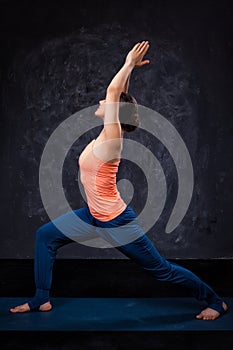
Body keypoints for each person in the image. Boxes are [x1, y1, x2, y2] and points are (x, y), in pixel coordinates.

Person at [10, 41, 228, 320]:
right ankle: (41, 299)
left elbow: (114, 93)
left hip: (116, 222)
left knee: (161, 269)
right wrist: (130, 72)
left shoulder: (113, 139)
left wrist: (127, 63)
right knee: (45, 236)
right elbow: (120, 93)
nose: (102, 101)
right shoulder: (105, 134)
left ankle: (214, 300)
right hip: (92, 216)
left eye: (107, 102)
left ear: (115, 112)